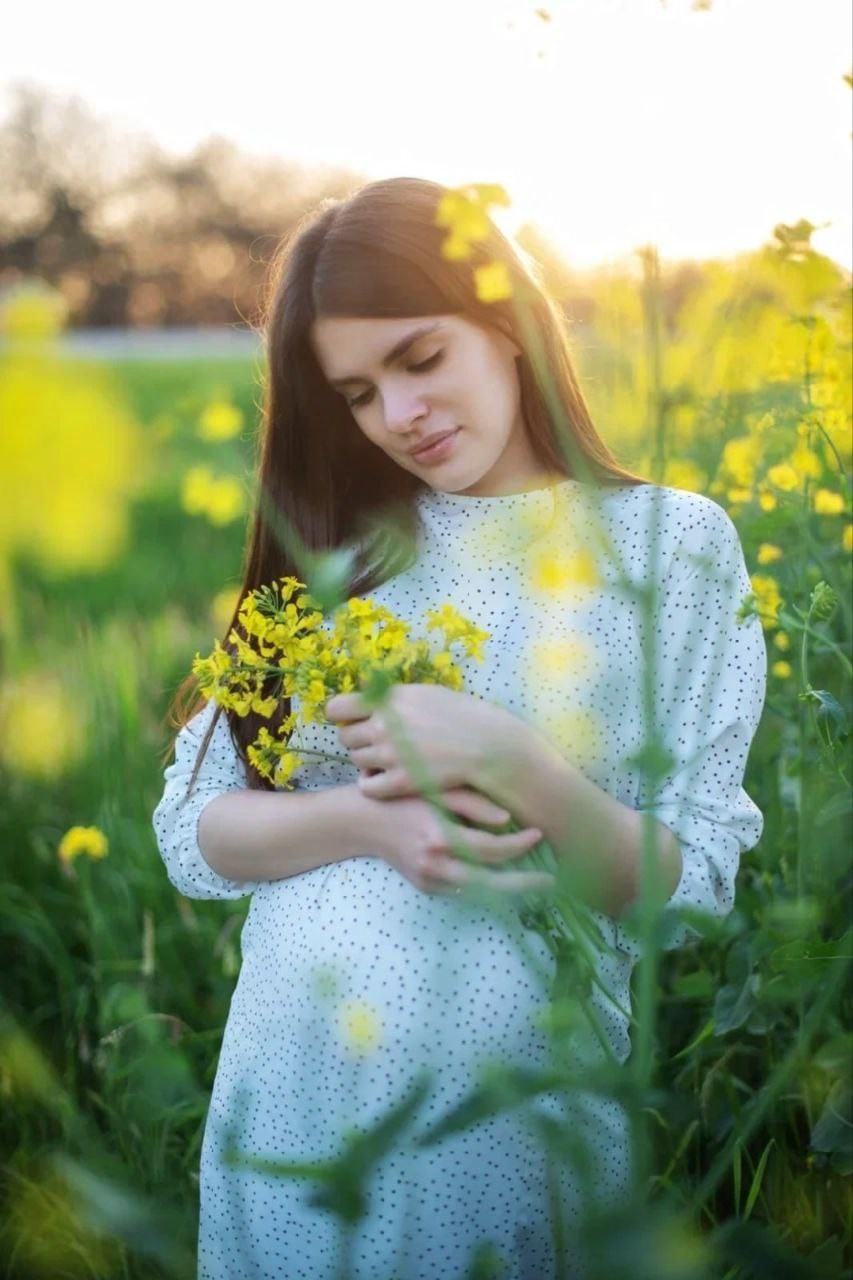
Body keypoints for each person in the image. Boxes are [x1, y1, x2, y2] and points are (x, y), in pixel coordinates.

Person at [152, 177, 767, 1280]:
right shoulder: (336, 549)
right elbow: (194, 832)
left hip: (514, 1106)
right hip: (295, 1098)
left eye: (420, 358)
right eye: (355, 392)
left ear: (509, 323)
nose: (399, 416)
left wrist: (515, 762)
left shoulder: (669, 547)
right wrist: (367, 823)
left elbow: (695, 880)